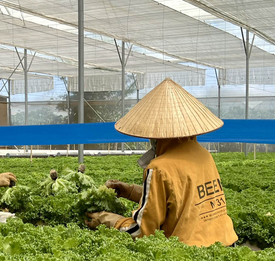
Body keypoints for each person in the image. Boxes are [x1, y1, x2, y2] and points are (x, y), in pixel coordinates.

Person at [86, 78, 238, 247]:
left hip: (191, 253)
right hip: (227, 243)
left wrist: (108, 219)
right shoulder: (204, 155)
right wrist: (129, 191)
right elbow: (179, 200)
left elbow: (142, 232)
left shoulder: (159, 168)